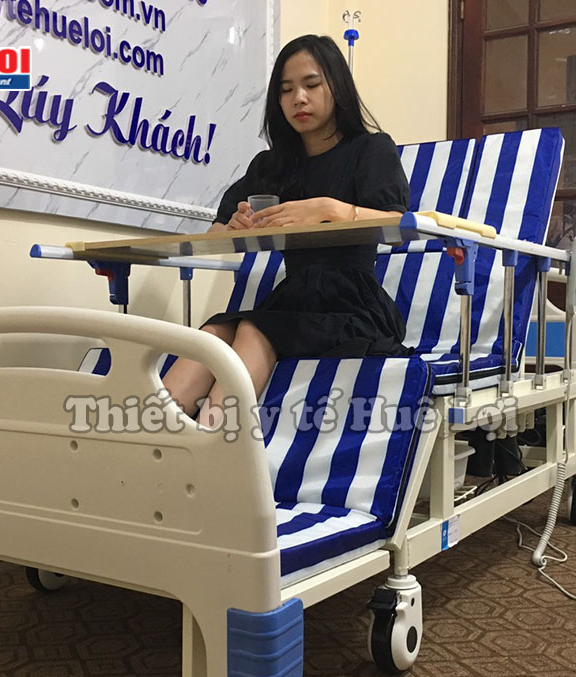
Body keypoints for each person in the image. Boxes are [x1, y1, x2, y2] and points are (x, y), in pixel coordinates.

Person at [163, 34, 411, 428]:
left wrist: (329, 209)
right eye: (286, 89)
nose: (299, 98)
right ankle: (153, 441)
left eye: (311, 84)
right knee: (213, 333)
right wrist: (233, 226)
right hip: (293, 299)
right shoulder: (271, 166)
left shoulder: (371, 149)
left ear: (337, 87)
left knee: (253, 329)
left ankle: (211, 445)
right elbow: (215, 232)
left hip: (352, 303)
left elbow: (397, 225)